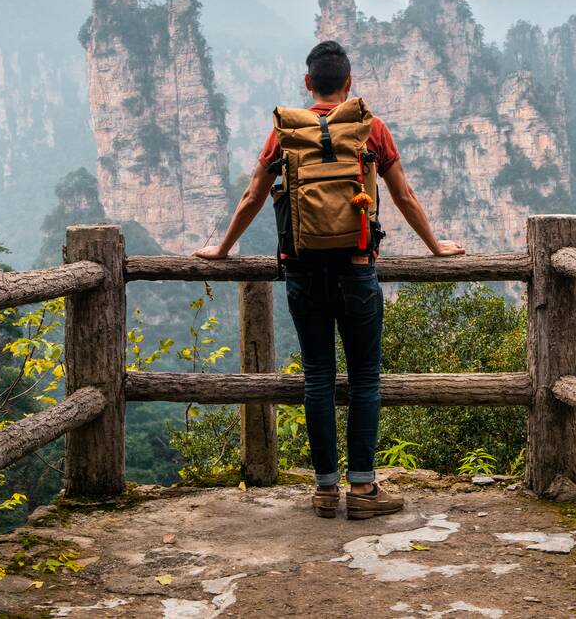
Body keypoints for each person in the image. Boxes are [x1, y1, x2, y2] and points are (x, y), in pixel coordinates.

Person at [194, 40, 464, 519]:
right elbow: (403, 195)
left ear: (307, 83)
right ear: (349, 82)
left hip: (301, 273)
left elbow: (253, 196)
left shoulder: (285, 133)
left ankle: (323, 491)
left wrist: (221, 249)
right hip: (357, 271)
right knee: (364, 379)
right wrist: (435, 246)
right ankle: (362, 492)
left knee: (317, 378)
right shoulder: (371, 128)